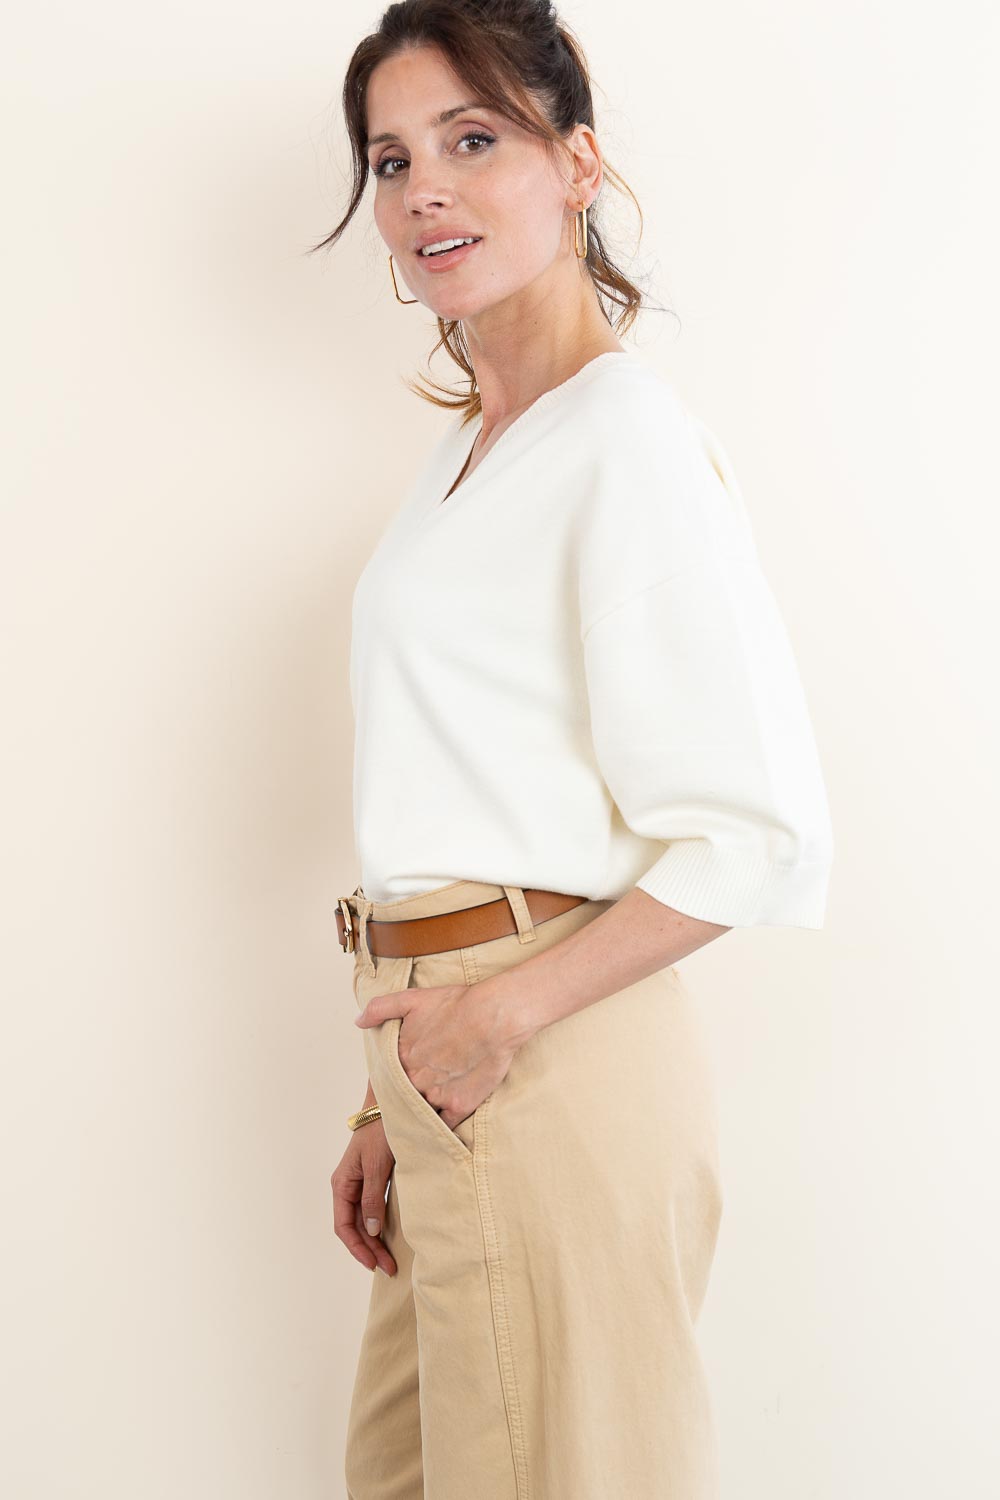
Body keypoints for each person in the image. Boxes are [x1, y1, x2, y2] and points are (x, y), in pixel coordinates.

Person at [314, 3, 834, 1496]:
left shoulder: (626, 441)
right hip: (445, 1058)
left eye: (472, 139)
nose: (425, 190)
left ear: (579, 163)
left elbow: (755, 832)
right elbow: (462, 785)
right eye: (393, 160)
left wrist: (496, 1017)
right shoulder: (471, 453)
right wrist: (387, 1094)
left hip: (542, 1046)